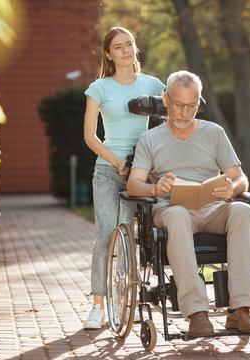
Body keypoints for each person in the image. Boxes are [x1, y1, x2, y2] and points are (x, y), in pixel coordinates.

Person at [127, 70, 250, 337]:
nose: (184, 112)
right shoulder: (150, 139)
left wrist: (231, 188)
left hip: (212, 207)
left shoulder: (214, 133)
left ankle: (241, 311)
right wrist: (155, 188)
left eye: (192, 106)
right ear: (165, 99)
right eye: (178, 104)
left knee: (242, 209)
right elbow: (134, 185)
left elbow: (241, 179)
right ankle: (197, 314)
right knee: (177, 214)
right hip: (171, 210)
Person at [83, 27, 165, 329]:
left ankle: (132, 295)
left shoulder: (152, 84)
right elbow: (90, 136)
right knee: (105, 234)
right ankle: (98, 306)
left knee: (132, 233)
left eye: (129, 44)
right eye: (118, 47)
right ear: (108, 54)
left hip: (140, 171)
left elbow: (178, 107)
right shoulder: (99, 88)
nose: (126, 50)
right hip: (107, 170)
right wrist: (116, 160)